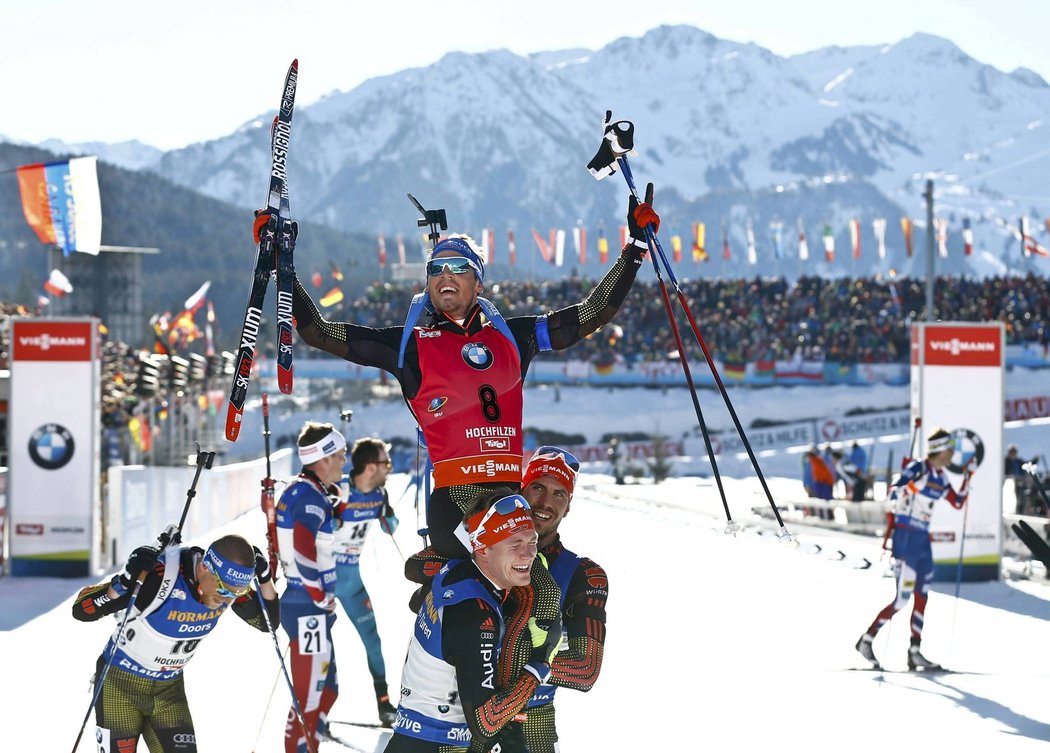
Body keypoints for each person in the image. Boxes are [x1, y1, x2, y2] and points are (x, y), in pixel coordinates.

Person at [385, 489, 561, 753]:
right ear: (482, 548)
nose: (528, 555)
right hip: (435, 743)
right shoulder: (475, 615)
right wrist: (541, 663)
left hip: (419, 737)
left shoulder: (459, 571)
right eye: (514, 544)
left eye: (531, 541)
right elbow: (485, 723)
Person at [72, 530, 278, 753]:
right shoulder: (162, 577)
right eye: (223, 589)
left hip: (168, 689)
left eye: (237, 593)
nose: (226, 599)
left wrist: (265, 577)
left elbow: (267, 623)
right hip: (120, 684)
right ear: (204, 567)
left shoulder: (227, 583)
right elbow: (83, 610)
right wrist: (123, 582)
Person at [518, 447, 609, 753]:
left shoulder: (584, 574)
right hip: (460, 722)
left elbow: (584, 669)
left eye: (559, 494)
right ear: (521, 490)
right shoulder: (481, 548)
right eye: (538, 488)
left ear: (568, 506)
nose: (545, 503)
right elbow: (416, 573)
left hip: (533, 730)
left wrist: (501, 661)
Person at [855, 428, 969, 671]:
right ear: (940, 449)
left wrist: (968, 479)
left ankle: (914, 651)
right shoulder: (919, 468)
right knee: (902, 600)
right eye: (949, 450)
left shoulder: (941, 476)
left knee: (922, 596)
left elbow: (957, 503)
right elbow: (893, 493)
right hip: (906, 539)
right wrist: (912, 487)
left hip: (923, 542)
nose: (951, 455)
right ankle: (866, 640)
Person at [276, 421, 346, 753]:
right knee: (309, 697)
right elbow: (304, 544)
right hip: (307, 608)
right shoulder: (308, 495)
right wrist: (320, 596)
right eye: (341, 456)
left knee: (327, 690)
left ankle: (312, 743)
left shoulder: (306, 490)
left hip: (307, 606)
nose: (345, 462)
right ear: (325, 457)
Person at [331, 436, 400, 727]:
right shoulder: (338, 490)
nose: (390, 468)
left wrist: (386, 513)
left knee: (373, 641)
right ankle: (313, 708)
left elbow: (392, 528)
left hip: (351, 582)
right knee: (319, 647)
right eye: (387, 462)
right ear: (370, 467)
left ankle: (384, 705)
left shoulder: (379, 493)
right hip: (322, 580)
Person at [1004, 444, 1027, 514]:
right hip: (1008, 482)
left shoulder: (1019, 461)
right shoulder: (1005, 461)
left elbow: (1026, 465)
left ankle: (1020, 513)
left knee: (1020, 498)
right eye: (1011, 452)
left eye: (1014, 452)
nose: (1013, 453)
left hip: (1019, 482)